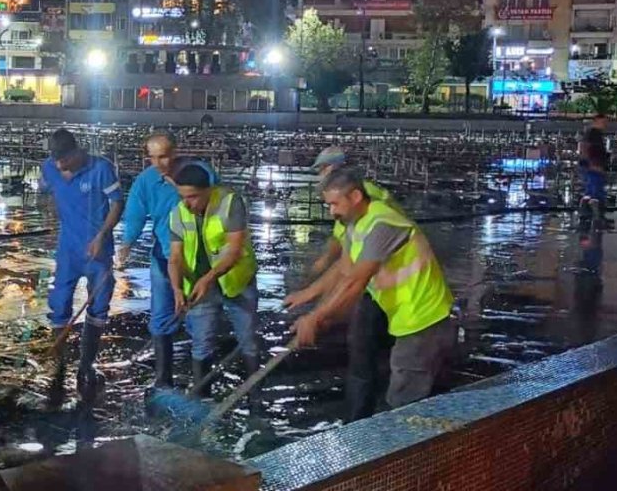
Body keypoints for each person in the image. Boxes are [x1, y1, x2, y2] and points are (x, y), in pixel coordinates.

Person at [289, 167, 456, 417]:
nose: (331, 211)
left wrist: (316, 317)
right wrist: (310, 296)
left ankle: (402, 450)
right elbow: (344, 270)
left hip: (423, 318)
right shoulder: (354, 224)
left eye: (335, 204)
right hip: (404, 314)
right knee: (406, 385)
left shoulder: (382, 224)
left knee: (403, 400)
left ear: (355, 197)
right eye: (328, 205)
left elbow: (356, 282)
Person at [285, 146, 402, 419]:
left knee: (364, 346)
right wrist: (315, 298)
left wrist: (319, 314)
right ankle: (363, 410)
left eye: (324, 170)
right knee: (367, 345)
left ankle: (361, 422)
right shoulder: (351, 202)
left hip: (387, 288)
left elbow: (353, 277)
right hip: (379, 284)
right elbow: (346, 258)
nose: (320, 177)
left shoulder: (366, 204)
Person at [116, 132, 217, 391]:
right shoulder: (145, 181)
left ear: (176, 151)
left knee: (200, 320)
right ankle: (163, 381)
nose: (159, 163)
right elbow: (135, 215)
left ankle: (201, 387)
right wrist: (126, 246)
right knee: (162, 316)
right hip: (164, 255)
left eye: (164, 156)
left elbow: (217, 204)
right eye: (153, 158)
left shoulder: (199, 172)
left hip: (198, 259)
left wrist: (176, 186)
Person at [40, 129, 124, 396]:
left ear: (77, 152)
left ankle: (86, 365)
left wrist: (102, 235)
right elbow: (47, 193)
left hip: (97, 251)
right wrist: (53, 218)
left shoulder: (101, 169)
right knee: (60, 301)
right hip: (68, 249)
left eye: (64, 160)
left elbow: (117, 203)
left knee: (98, 305)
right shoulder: (49, 168)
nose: (59, 165)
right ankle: (58, 364)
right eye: (55, 160)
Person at [166, 164, 259, 397]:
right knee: (201, 343)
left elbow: (235, 249)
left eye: (193, 197)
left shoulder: (229, 203)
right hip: (199, 285)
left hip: (236, 281)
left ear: (208, 190)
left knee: (247, 339)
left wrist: (209, 278)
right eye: (182, 197)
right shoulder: (178, 213)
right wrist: (176, 288)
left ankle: (255, 397)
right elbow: (175, 257)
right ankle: (202, 398)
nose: (187, 203)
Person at [578, 114, 611, 228]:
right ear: (597, 121)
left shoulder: (594, 134)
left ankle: (586, 216)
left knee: (592, 191)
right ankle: (596, 217)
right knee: (596, 192)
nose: (606, 125)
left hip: (593, 165)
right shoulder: (593, 134)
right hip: (593, 166)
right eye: (604, 122)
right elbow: (585, 147)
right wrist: (591, 164)